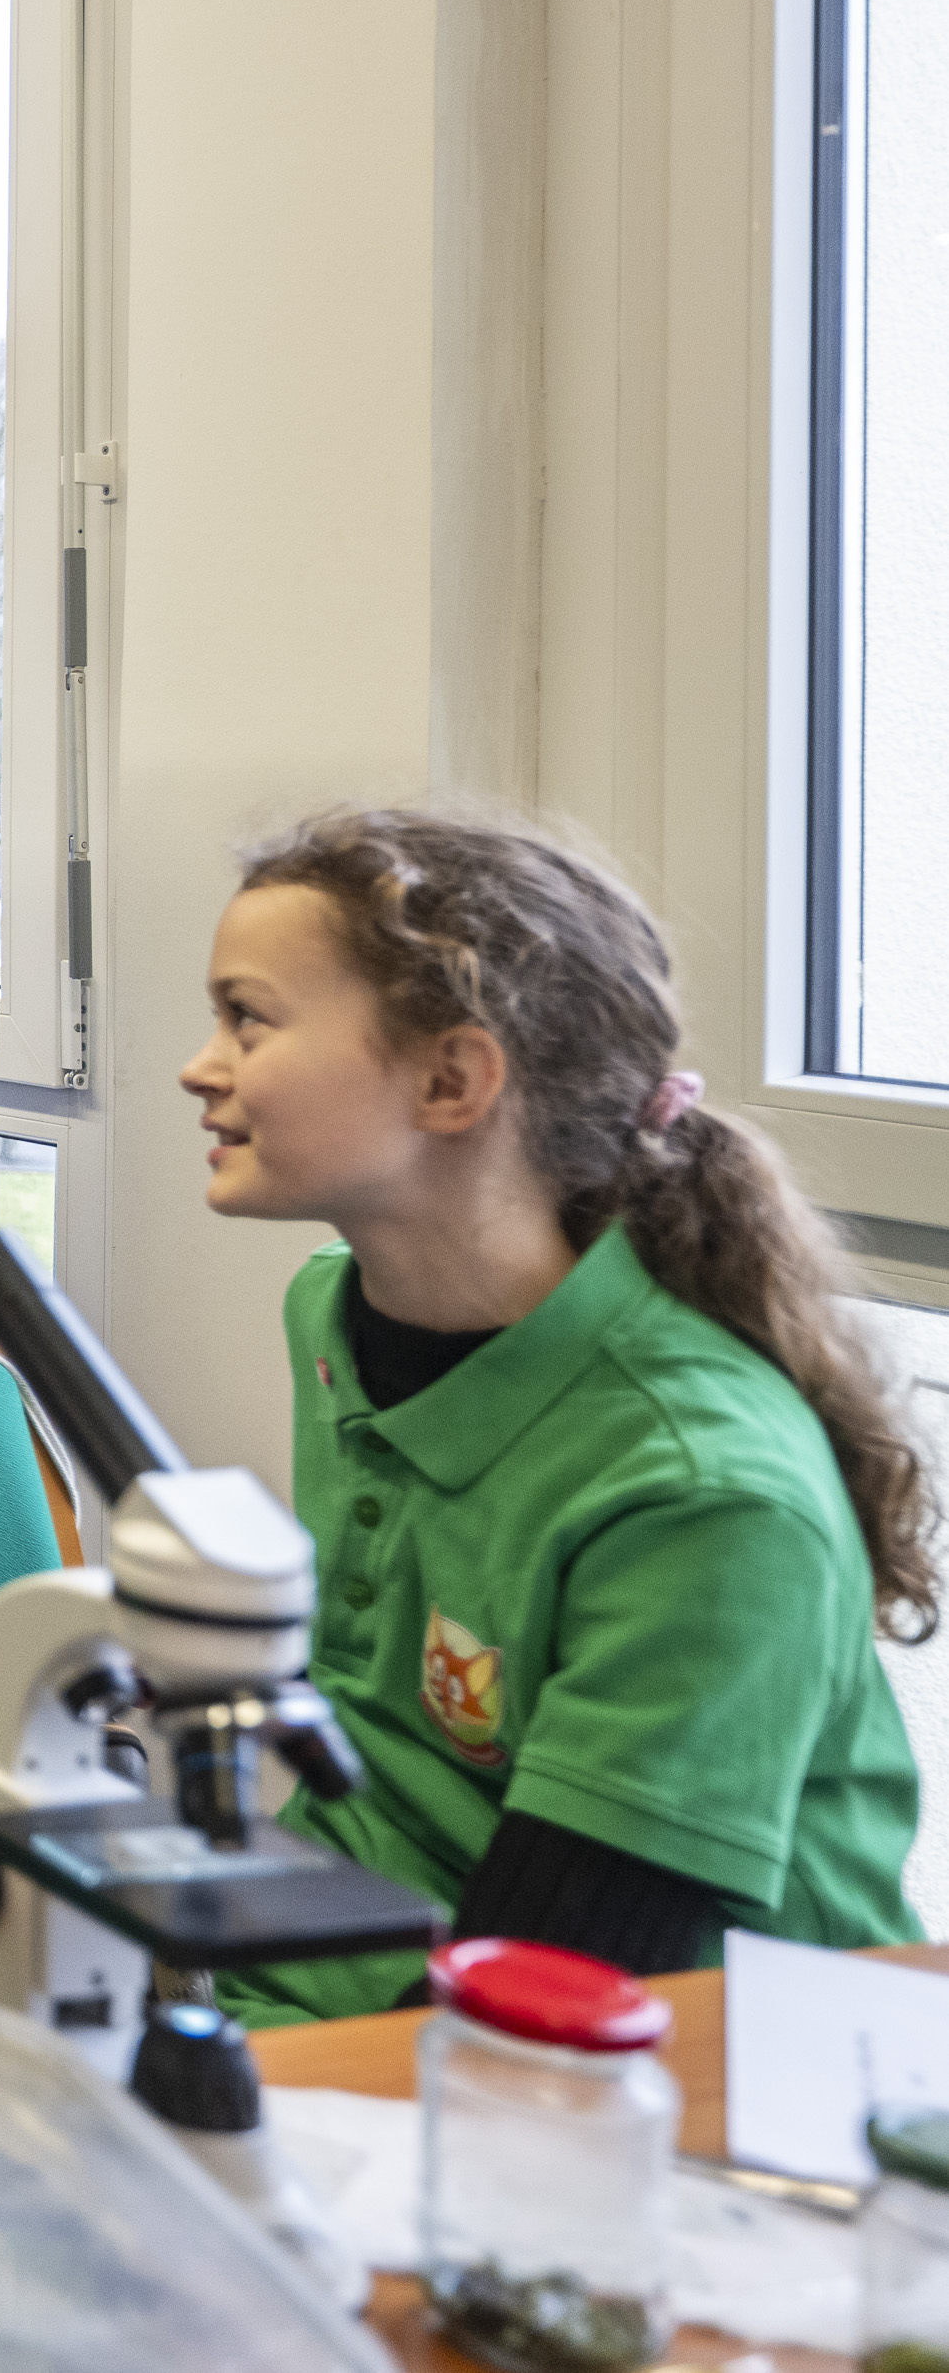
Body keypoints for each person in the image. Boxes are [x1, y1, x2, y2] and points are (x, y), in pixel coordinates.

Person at [180, 809, 926, 2025]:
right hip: (330, 1986)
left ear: (452, 1079)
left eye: (247, 1018)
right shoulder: (332, 1314)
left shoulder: (701, 1490)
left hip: (653, 2071)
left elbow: (546, 2002)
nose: (200, 1065)